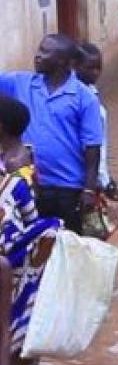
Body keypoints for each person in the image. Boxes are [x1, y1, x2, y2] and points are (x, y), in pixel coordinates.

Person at [0, 95, 60, 365]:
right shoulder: (19, 177)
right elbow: (37, 228)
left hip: (14, 287)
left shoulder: (16, 176)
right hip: (23, 291)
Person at [0, 34, 103, 234]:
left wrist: (89, 190)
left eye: (45, 52)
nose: (38, 56)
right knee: (31, 250)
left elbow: (92, 147)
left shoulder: (84, 97)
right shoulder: (20, 83)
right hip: (30, 185)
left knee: (67, 250)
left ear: (64, 62)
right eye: (39, 50)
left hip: (68, 189)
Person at [74, 43, 118, 201]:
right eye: (90, 68)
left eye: (98, 68)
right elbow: (93, 147)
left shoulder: (91, 92)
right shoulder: (82, 98)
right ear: (75, 66)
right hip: (84, 178)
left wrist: (107, 179)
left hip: (90, 175)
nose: (96, 73)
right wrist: (104, 182)